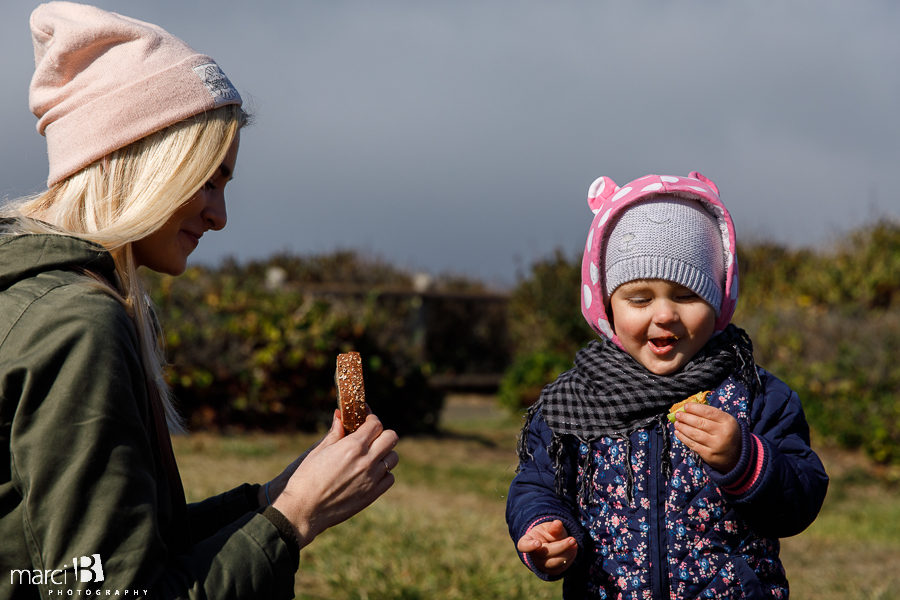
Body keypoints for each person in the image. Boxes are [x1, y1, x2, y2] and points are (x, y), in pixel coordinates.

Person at [0, 3, 398, 598]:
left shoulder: (42, 298)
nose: (219, 216)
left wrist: (276, 497)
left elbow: (115, 554)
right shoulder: (78, 324)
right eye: (205, 180)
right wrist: (293, 520)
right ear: (141, 164)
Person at [505, 171, 829, 598]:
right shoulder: (578, 399)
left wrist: (745, 459)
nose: (664, 314)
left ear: (718, 300)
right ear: (607, 305)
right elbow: (538, 484)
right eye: (639, 298)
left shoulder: (755, 395)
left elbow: (800, 499)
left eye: (686, 295)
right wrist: (544, 527)